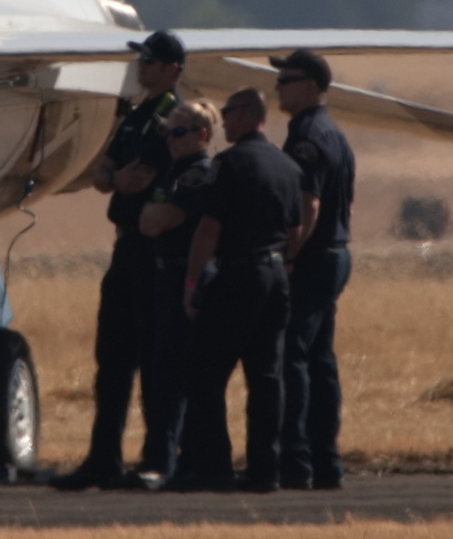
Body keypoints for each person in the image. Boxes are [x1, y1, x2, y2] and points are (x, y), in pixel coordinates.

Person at [52, 30, 184, 491]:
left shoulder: (173, 118)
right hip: (125, 247)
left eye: (150, 61)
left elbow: (133, 179)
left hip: (154, 252)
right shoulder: (134, 116)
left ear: (172, 70)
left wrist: (117, 177)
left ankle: (157, 459)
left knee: (155, 360)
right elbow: (103, 171)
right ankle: (102, 458)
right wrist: (113, 175)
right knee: (112, 359)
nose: (140, 68)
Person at [164, 85, 312, 493]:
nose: (224, 120)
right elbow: (296, 229)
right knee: (266, 377)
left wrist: (193, 284)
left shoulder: (229, 164)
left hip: (238, 275)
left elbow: (208, 231)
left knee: (205, 373)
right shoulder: (287, 166)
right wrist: (283, 259)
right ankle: (266, 471)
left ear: (245, 115)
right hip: (276, 274)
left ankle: (214, 468)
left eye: (228, 112)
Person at [271, 48, 357, 490]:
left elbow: (308, 204)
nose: (277, 87)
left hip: (314, 256)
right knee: (320, 358)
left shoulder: (306, 135)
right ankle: (327, 462)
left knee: (295, 358)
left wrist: (288, 255)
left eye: (285, 80)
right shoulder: (334, 134)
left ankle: (298, 461)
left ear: (309, 86)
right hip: (336, 252)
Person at [135, 98, 219, 484]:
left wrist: (153, 216)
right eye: (167, 130)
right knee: (158, 373)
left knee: (173, 375)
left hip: (183, 280)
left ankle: (166, 462)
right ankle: (163, 458)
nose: (170, 137)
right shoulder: (172, 173)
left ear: (202, 135)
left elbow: (160, 219)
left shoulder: (197, 174)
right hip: (160, 277)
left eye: (179, 131)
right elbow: (146, 222)